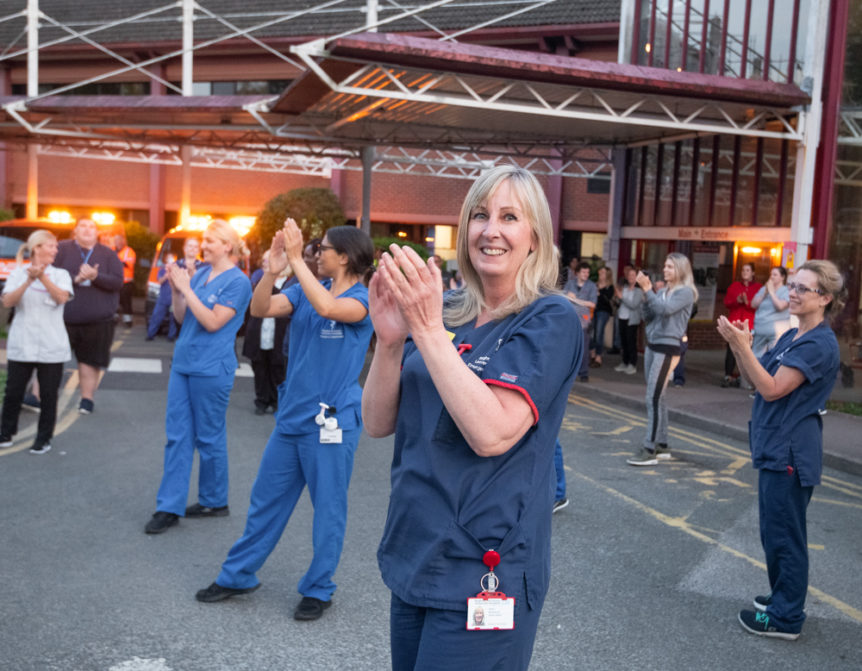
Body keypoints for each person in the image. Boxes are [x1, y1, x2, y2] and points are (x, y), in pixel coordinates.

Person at [363, 166, 581, 670]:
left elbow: (491, 433)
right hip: (417, 551)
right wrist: (391, 343)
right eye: (480, 215)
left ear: (535, 238)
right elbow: (376, 422)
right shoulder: (451, 312)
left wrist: (427, 330)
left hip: (483, 573)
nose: (491, 229)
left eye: (510, 217)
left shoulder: (550, 318)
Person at [195, 221, 374, 623]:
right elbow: (261, 309)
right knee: (265, 502)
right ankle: (237, 575)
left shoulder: (363, 299)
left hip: (330, 422)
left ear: (344, 257)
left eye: (321, 247)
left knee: (328, 508)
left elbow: (331, 310)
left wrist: (296, 259)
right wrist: (273, 272)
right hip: (291, 418)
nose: (315, 252)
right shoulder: (308, 290)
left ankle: (319, 588)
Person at [717, 260, 843, 640]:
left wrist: (742, 346)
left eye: (804, 288)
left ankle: (786, 616)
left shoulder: (819, 344)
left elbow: (772, 388)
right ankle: (781, 598)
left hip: (790, 450)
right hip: (776, 445)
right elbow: (759, 378)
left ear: (825, 298)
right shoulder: (793, 335)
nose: (793, 292)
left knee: (785, 534)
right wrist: (742, 347)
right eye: (793, 285)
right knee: (774, 530)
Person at [145, 220, 252, 534]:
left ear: (227, 246)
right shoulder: (202, 273)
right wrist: (179, 291)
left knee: (208, 436)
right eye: (204, 241)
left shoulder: (238, 282)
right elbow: (182, 317)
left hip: (211, 367)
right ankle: (168, 507)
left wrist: (188, 288)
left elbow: (213, 322)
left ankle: (214, 500)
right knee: (177, 436)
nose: (203, 246)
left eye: (209, 241)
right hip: (183, 363)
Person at [0, 231, 73, 454]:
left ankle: (43, 438)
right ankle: (5, 432)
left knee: (49, 394)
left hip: (51, 344)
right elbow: (8, 302)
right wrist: (28, 281)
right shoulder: (18, 273)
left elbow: (62, 298)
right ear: (37, 248)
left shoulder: (61, 274)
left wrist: (42, 278)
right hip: (23, 342)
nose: (55, 250)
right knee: (13, 391)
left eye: (55, 247)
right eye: (51, 246)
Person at [626, 254, 697, 466]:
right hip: (653, 344)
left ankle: (650, 448)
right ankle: (663, 444)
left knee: (652, 398)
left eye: (670, 267)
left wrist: (649, 289)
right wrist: (646, 295)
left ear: (681, 270)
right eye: (665, 266)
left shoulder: (686, 292)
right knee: (659, 396)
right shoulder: (664, 291)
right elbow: (651, 315)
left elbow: (666, 311)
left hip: (668, 347)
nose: (665, 270)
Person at [53, 217, 124, 415]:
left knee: (90, 362)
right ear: (74, 230)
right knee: (50, 359)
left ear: (97, 232)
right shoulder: (61, 249)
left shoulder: (108, 254)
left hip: (98, 321)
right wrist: (75, 279)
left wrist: (95, 277)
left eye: (91, 227)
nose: (87, 230)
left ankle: (87, 399)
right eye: (82, 226)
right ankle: (36, 396)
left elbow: (118, 282)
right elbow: (49, 275)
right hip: (62, 318)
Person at [242, 250, 290, 415]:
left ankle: (277, 401)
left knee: (278, 370)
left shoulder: (289, 283)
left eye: (267, 261)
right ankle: (261, 401)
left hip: (280, 335)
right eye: (263, 261)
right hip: (259, 333)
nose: (264, 264)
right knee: (259, 368)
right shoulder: (258, 281)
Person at [146, 237, 202, 342]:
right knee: (175, 323)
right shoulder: (176, 265)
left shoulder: (204, 267)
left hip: (195, 304)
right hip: (176, 301)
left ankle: (172, 337)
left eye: (195, 247)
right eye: (190, 246)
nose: (192, 249)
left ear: (199, 250)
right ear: (184, 248)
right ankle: (152, 335)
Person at [722, 262, 761, 388]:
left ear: (753, 273)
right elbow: (727, 302)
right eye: (743, 270)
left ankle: (743, 377)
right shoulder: (734, 286)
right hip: (734, 322)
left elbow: (759, 306)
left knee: (746, 351)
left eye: (748, 270)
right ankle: (728, 376)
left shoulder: (758, 288)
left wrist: (747, 302)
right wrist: (736, 301)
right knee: (731, 350)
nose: (745, 272)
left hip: (749, 324)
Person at [564, 262, 596, 382]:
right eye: (583, 272)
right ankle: (569, 371)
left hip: (584, 321)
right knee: (569, 347)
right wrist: (570, 298)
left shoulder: (592, 286)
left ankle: (584, 373)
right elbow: (563, 297)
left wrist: (575, 299)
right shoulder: (570, 283)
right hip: (570, 320)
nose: (586, 274)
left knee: (583, 347)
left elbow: (592, 304)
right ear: (577, 273)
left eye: (587, 272)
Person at [751, 266, 791, 359]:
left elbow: (780, 306)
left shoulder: (786, 290)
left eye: (775, 274)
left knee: (773, 358)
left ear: (782, 277)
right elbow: (753, 304)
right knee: (755, 358)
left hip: (776, 332)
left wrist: (772, 293)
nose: (771, 277)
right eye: (771, 274)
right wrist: (765, 293)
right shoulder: (763, 289)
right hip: (760, 330)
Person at [615, 266, 644, 375]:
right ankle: (624, 362)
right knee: (623, 342)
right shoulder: (625, 288)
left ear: (636, 277)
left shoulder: (638, 291)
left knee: (631, 342)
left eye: (633, 275)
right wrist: (617, 297)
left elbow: (633, 305)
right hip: (622, 317)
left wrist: (621, 297)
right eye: (629, 275)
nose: (631, 277)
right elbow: (619, 303)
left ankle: (632, 364)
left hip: (631, 320)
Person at [590, 266, 615, 368]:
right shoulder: (594, 285)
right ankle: (592, 353)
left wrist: (599, 294)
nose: (600, 274)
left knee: (599, 332)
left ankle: (598, 356)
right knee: (591, 332)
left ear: (607, 275)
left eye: (603, 272)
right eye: (600, 272)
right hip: (592, 310)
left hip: (603, 311)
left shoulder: (610, 287)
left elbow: (607, 299)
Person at [115, 233, 136, 328]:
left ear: (123, 241)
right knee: (114, 300)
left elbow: (128, 264)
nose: (117, 242)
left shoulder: (129, 251)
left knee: (126, 301)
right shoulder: (113, 250)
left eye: (118, 240)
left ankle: (128, 320)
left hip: (127, 282)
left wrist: (117, 261)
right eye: (115, 241)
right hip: (116, 281)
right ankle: (114, 318)